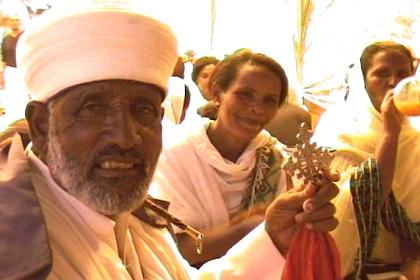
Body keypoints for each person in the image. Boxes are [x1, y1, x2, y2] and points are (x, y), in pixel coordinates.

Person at [0, 1, 339, 279]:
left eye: (144, 110)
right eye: (93, 108)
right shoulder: (18, 249)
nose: (126, 136)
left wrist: (272, 238)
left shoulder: (135, 218)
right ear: (42, 126)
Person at [149, 49, 337, 266]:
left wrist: (310, 201)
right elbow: (180, 250)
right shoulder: (174, 155)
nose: (256, 108)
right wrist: (255, 226)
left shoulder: (274, 158)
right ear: (217, 93)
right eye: (244, 94)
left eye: (269, 101)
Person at [312, 41, 420, 279]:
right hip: (353, 265)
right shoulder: (339, 128)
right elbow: (360, 200)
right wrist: (389, 135)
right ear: (364, 81)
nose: (393, 82)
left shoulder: (415, 139)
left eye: (402, 74)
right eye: (381, 73)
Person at [190, 56, 220, 120]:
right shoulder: (188, 104)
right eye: (205, 76)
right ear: (196, 80)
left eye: (214, 75)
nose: (210, 80)